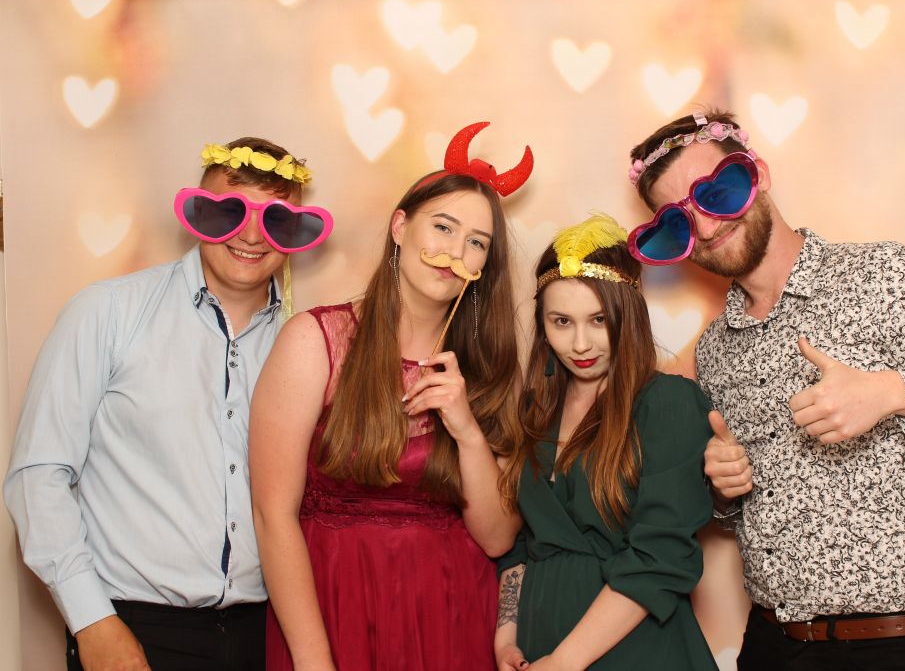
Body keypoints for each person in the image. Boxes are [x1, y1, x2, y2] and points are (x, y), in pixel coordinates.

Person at [627, 109, 905, 670]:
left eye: (716, 193)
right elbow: (749, 513)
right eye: (680, 222)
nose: (708, 228)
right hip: (772, 646)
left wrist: (890, 393)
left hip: (898, 646)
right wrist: (725, 491)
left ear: (758, 173)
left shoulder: (881, 276)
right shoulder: (716, 349)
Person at [5, 137, 332, 670]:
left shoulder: (307, 346)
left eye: (275, 220)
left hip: (267, 634)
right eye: (228, 212)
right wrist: (92, 620)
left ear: (295, 232)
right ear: (198, 214)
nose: (251, 235)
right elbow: (38, 474)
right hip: (134, 627)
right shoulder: (107, 312)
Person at [250, 121, 532, 671]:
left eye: (477, 243)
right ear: (400, 227)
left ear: (484, 265)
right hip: (334, 610)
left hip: (451, 618)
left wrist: (466, 429)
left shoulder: (492, 368)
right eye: (443, 227)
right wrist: (313, 661)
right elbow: (271, 514)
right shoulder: (316, 341)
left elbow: (499, 539)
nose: (455, 251)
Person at [494, 214, 718, 671]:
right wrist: (505, 638)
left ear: (628, 316)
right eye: (561, 321)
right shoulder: (533, 411)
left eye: (599, 320)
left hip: (638, 649)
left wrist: (566, 661)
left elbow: (661, 555)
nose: (580, 344)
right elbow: (520, 543)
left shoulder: (667, 403)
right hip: (539, 648)